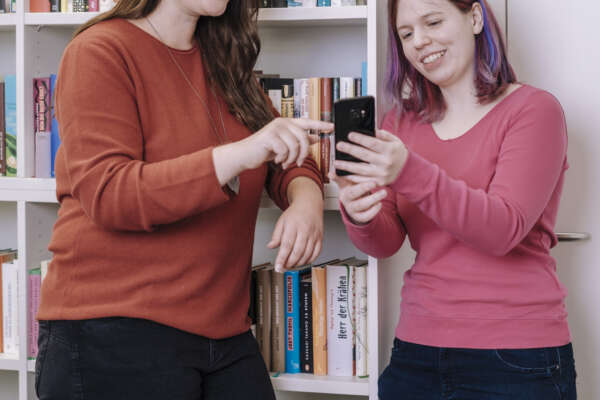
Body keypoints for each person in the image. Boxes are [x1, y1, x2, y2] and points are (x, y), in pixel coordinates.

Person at [35, 1, 333, 399]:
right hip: (110, 331)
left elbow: (284, 154)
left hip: (223, 332)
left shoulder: (226, 62)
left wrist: (306, 201)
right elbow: (110, 193)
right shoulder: (100, 50)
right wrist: (240, 153)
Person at [331, 0, 577, 399]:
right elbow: (386, 242)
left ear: (475, 17)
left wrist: (408, 171)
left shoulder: (533, 111)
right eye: (406, 33)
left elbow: (502, 229)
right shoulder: (399, 124)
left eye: (432, 21)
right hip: (416, 350)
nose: (420, 42)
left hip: (517, 358)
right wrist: (360, 213)